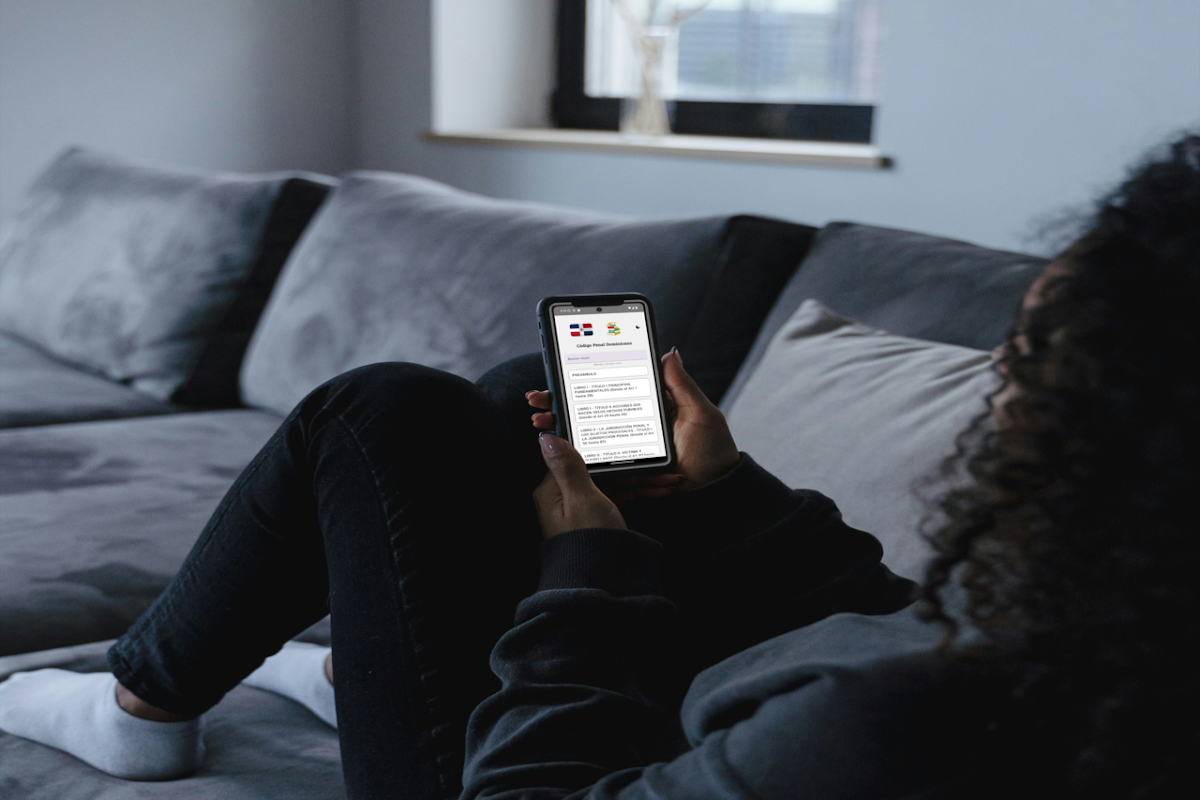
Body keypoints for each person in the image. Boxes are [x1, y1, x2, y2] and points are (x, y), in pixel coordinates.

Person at [1, 135, 1196, 800]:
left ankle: (140, 703)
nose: (1000, 375)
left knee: (377, 413)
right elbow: (889, 617)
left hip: (527, 769)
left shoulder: (885, 723)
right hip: (688, 701)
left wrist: (586, 569)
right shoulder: (1117, 628)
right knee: (524, 394)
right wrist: (729, 495)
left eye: (1031, 353)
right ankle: (350, 658)